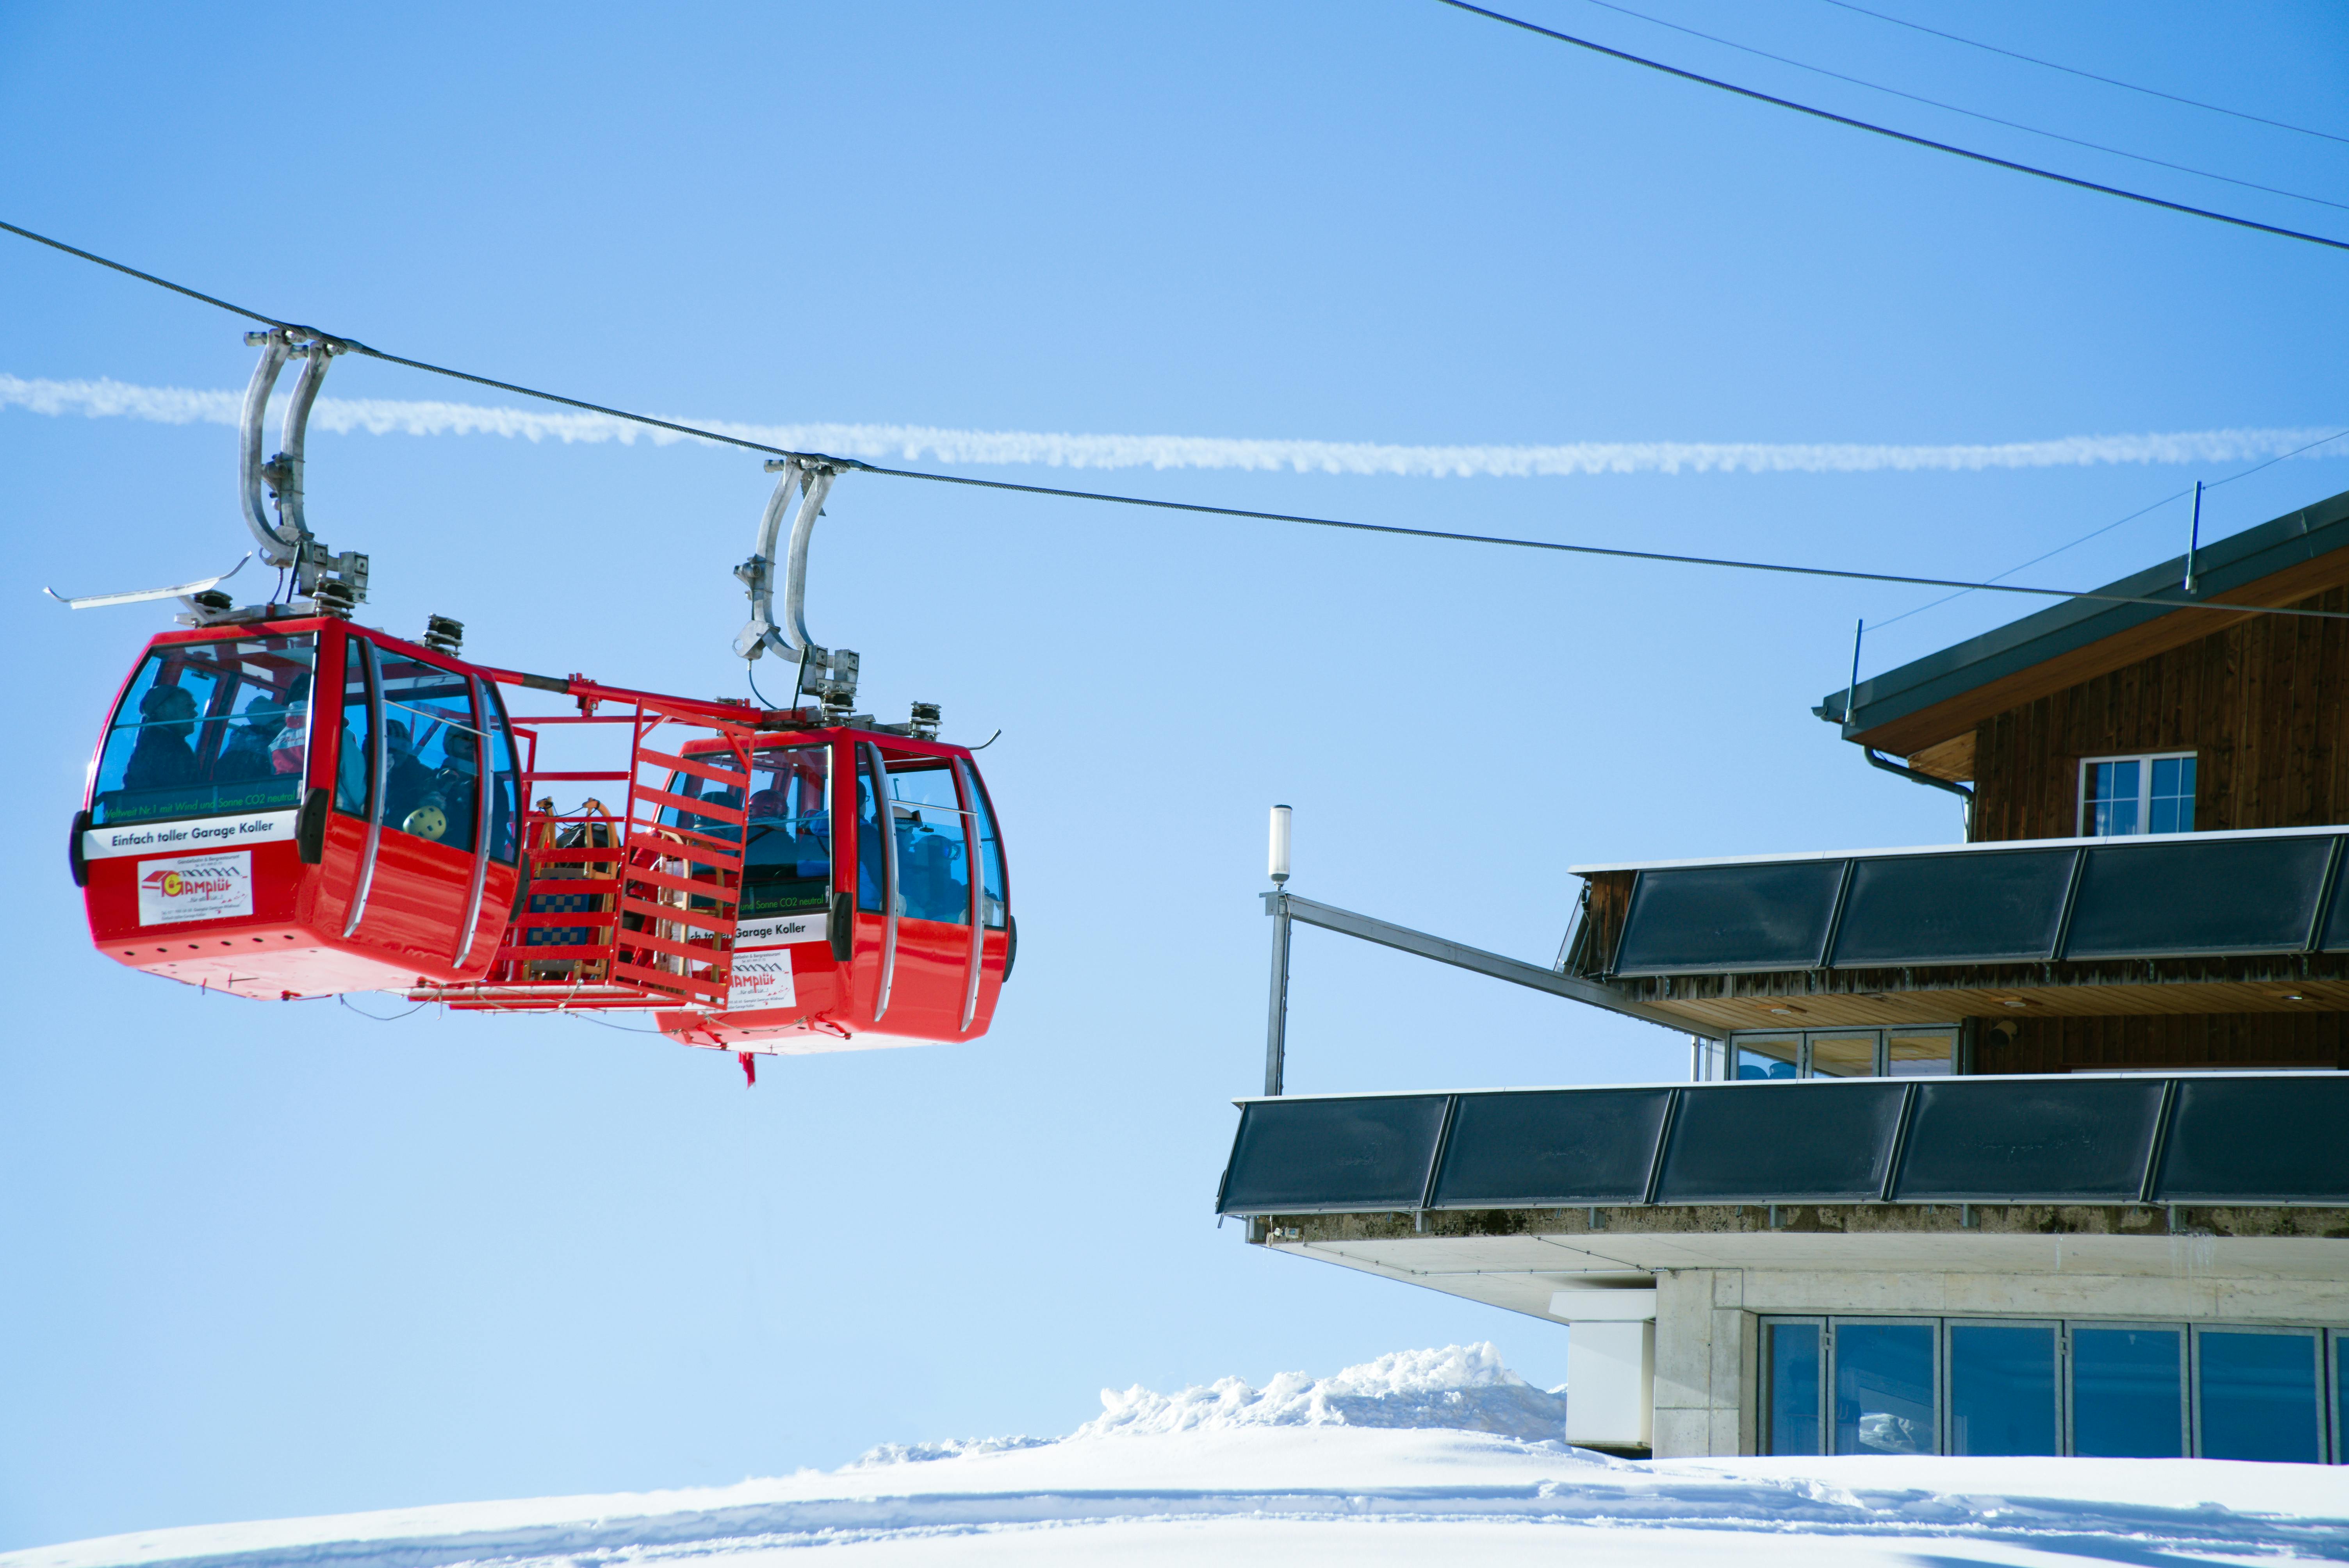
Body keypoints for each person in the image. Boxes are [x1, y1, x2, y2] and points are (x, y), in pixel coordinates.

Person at [124, 684, 200, 790]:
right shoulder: (164, 745)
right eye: (188, 707)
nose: (195, 714)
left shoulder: (155, 741)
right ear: (163, 710)